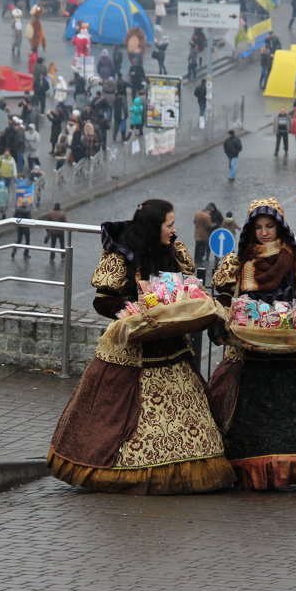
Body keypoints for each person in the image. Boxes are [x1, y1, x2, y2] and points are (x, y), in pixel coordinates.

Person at [48, 199, 236, 494]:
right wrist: (131, 310)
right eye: (169, 224)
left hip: (170, 343)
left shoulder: (173, 251)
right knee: (119, 416)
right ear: (153, 226)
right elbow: (103, 300)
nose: (174, 231)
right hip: (132, 349)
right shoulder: (121, 254)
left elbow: (190, 287)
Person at [207, 197, 296, 490]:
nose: (264, 233)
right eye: (258, 227)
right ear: (249, 229)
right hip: (249, 357)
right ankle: (251, 471)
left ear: (280, 227)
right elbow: (223, 303)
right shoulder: (237, 264)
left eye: (269, 226)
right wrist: (218, 325)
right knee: (247, 423)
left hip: (293, 355)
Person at [194, 203, 216, 267]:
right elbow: (209, 225)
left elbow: (194, 222)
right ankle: (200, 259)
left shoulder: (197, 213)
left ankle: (196, 258)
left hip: (197, 233)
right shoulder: (206, 216)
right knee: (202, 247)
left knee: (197, 246)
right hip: (204, 235)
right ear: (209, 210)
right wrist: (214, 224)